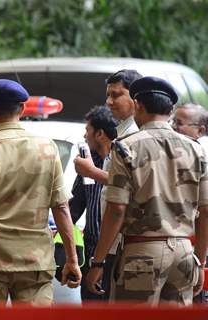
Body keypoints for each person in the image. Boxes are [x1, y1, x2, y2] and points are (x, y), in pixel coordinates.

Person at [0, 79, 81, 304]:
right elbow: (60, 207)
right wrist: (72, 259)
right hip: (35, 260)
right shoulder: (47, 148)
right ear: (22, 109)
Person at [86, 76, 208, 305]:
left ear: (138, 106)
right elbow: (206, 211)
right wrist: (200, 262)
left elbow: (116, 208)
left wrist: (98, 262)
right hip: (184, 252)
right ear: (170, 110)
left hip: (141, 253)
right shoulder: (196, 150)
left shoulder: (125, 146)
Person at [74, 69, 142, 298]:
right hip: (112, 244)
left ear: (136, 98)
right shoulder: (122, 134)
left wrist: (92, 172)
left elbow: (130, 189)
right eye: (108, 95)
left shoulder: (135, 137)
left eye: (116, 95)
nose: (109, 101)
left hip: (127, 244)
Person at [69, 106, 118, 301]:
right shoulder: (88, 162)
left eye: (87, 129)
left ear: (99, 134)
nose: (84, 134)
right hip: (90, 255)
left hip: (115, 255)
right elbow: (76, 205)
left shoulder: (119, 160)